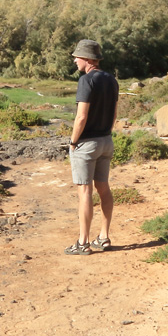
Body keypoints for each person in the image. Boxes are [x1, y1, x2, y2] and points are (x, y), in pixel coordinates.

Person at [66, 39, 118, 255]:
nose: (75, 60)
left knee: (84, 190)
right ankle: (104, 237)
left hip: (87, 144)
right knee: (103, 188)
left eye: (77, 57)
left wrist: (73, 142)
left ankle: (83, 242)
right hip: (106, 141)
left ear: (88, 59)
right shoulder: (112, 80)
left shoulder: (86, 81)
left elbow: (81, 117)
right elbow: (115, 114)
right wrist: (106, 133)